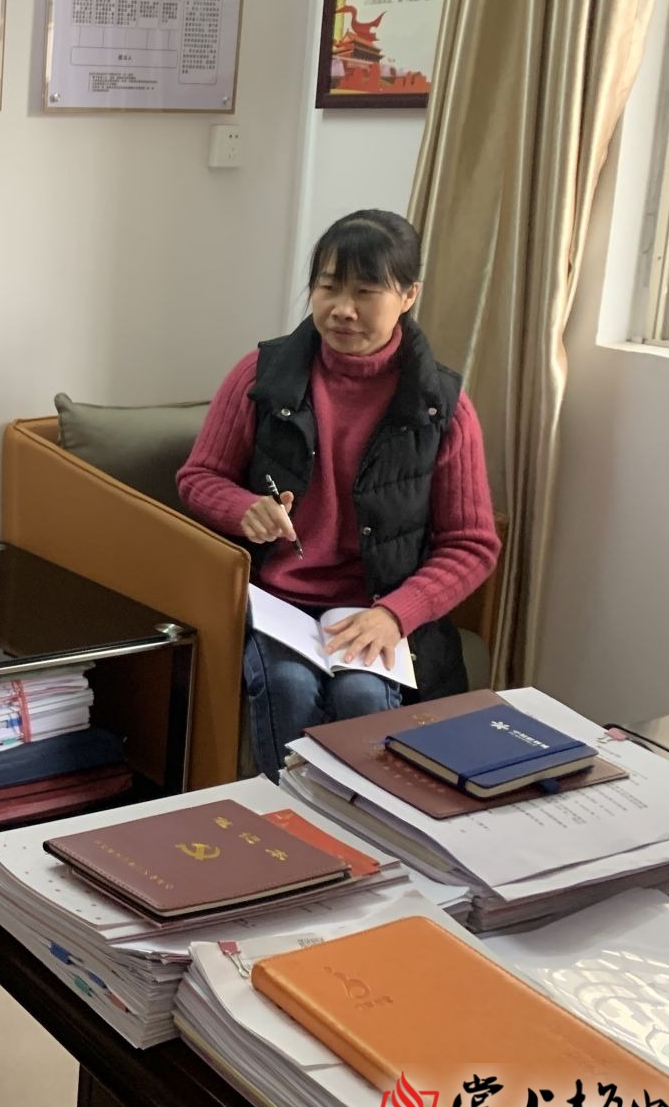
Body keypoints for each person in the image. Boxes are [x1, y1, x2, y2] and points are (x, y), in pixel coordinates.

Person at [177, 210, 500, 780]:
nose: (342, 309)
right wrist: (245, 509)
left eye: (365, 292)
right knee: (287, 684)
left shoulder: (441, 406)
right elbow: (199, 478)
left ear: (408, 296)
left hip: (377, 606)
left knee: (362, 695)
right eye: (328, 287)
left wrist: (396, 615)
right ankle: (287, 821)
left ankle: (362, 827)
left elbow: (472, 544)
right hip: (278, 602)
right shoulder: (260, 376)